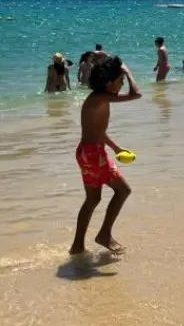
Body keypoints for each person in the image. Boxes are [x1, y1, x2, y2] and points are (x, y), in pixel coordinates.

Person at [69, 55, 141, 255]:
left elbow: (98, 130)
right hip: (93, 155)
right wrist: (127, 70)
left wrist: (116, 148)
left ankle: (77, 246)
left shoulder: (98, 98)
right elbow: (137, 94)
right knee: (123, 191)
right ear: (110, 82)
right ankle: (104, 234)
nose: (122, 84)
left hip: (87, 152)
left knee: (92, 200)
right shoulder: (101, 97)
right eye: (120, 81)